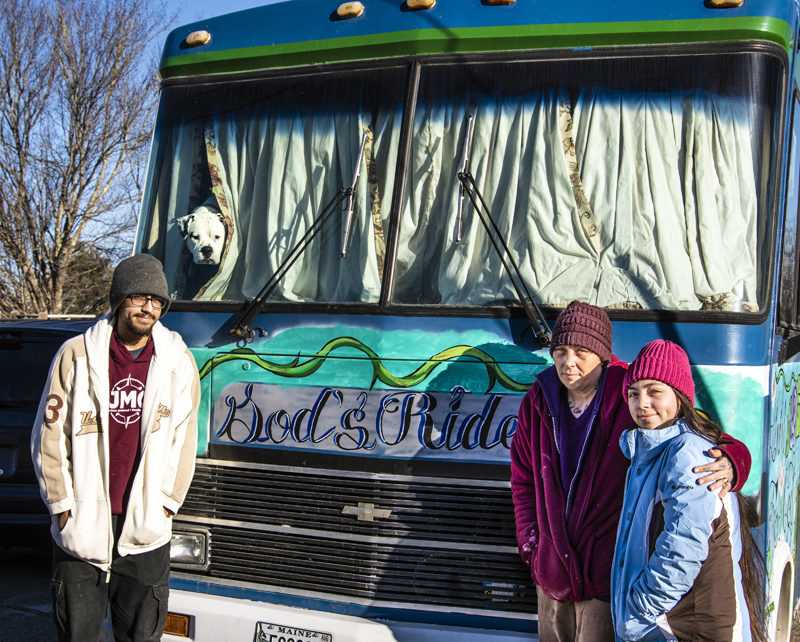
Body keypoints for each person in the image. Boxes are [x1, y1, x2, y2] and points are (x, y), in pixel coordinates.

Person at [509, 301, 751, 642]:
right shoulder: (539, 398)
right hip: (553, 576)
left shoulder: (631, 389)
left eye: (581, 351)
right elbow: (523, 480)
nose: (569, 362)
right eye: (560, 351)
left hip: (611, 579)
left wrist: (732, 461)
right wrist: (533, 548)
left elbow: (704, 438)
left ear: (603, 354)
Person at [30, 254, 201, 642]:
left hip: (145, 528)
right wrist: (61, 507)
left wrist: (166, 505)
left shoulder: (178, 360)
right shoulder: (76, 354)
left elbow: (184, 439)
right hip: (83, 527)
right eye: (139, 297)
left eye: (157, 300)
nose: (149, 307)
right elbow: (48, 436)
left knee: (141, 637)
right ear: (119, 299)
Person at [612, 340, 765, 642]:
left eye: (654, 391)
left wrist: (642, 606)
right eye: (633, 393)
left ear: (680, 398)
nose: (641, 403)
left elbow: (683, 545)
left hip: (687, 628)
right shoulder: (648, 450)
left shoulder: (687, 452)